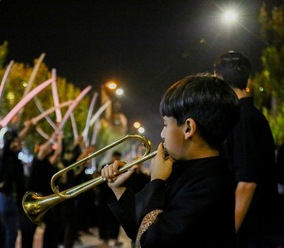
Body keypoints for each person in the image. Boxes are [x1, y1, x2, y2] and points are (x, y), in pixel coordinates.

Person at [101, 73, 239, 247]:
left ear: (188, 127)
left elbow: (151, 240)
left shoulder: (211, 183)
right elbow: (139, 228)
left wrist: (157, 181)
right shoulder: (185, 168)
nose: (162, 134)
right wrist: (119, 188)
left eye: (166, 124)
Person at [214, 51, 282, 247]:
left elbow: (247, 182)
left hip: (252, 231)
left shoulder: (242, 119)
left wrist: (228, 234)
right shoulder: (248, 116)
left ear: (220, 79)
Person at [0, 127, 26, 248]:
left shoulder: (9, 157)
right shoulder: (7, 158)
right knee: (8, 232)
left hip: (8, 197)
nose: (18, 144)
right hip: (6, 197)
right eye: (15, 141)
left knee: (8, 232)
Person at [96, 151, 124, 247]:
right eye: (115, 157)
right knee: (104, 219)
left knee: (116, 220)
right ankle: (104, 239)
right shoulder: (105, 166)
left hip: (115, 197)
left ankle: (115, 238)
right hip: (104, 198)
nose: (116, 160)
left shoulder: (121, 169)